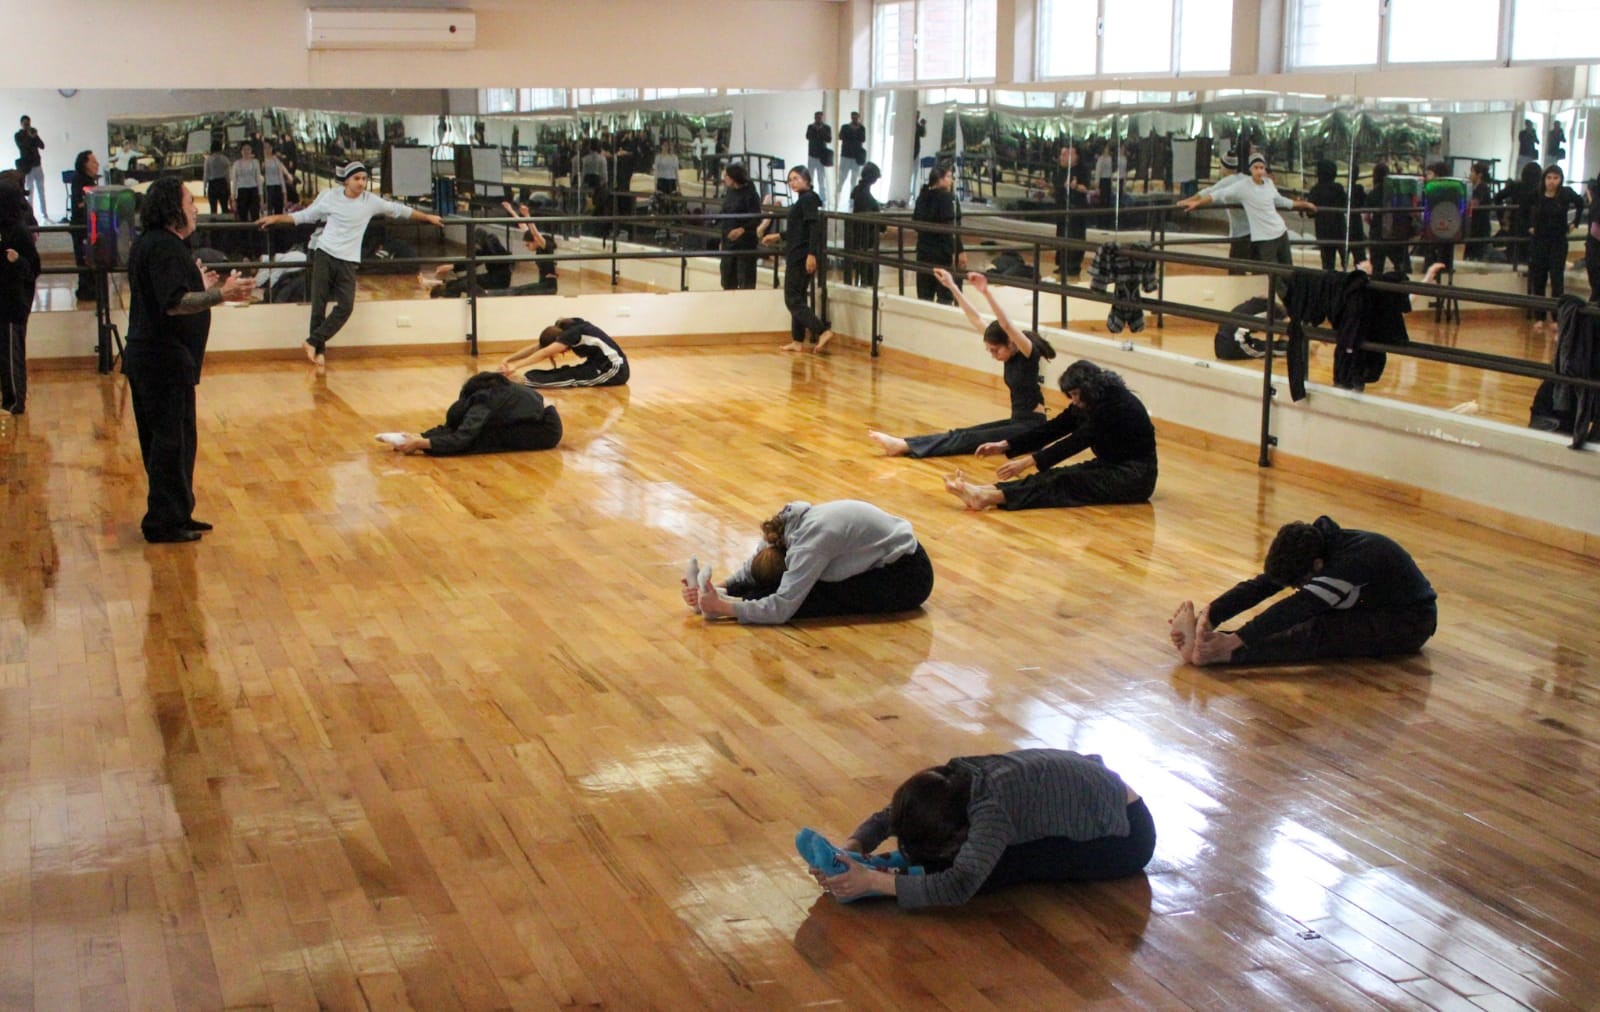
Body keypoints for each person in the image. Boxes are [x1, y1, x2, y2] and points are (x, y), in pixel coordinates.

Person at [805, 749, 1154, 908]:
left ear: (958, 832)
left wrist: (876, 885)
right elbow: (892, 815)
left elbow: (960, 885)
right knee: (988, 855)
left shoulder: (991, 810)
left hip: (1125, 837)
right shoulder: (951, 780)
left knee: (1001, 864)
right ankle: (877, 865)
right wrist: (853, 844)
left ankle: (881, 874)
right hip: (1091, 799)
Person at [121, 177, 254, 543]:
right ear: (170, 208)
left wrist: (206, 287)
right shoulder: (162, 247)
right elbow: (175, 302)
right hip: (159, 361)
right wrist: (219, 295)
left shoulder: (162, 245)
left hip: (166, 362)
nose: (195, 208)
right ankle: (162, 521)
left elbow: (177, 292)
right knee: (167, 443)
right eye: (188, 202)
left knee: (178, 441)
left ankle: (178, 512)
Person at [1168, 515, 1437, 667]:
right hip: (1367, 607)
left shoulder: (1350, 563)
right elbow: (1264, 585)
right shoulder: (1311, 550)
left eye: (1298, 583)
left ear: (1317, 566)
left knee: (1316, 631)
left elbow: (1294, 609)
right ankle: (1212, 644)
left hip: (1408, 622)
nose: (1297, 587)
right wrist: (1208, 617)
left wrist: (1234, 642)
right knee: (1312, 624)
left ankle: (1222, 653)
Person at [259, 160, 444, 365]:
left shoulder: (371, 201)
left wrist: (427, 216)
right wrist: (276, 218)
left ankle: (312, 341)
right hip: (325, 254)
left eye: (364, 179)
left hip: (348, 260)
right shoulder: (331, 197)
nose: (361, 183)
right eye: (357, 179)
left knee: (346, 306)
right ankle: (319, 351)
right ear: (346, 181)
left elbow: (399, 210)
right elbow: (305, 216)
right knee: (318, 305)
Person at [869, 269, 1055, 458]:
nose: (993, 355)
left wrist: (986, 292)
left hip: (1033, 430)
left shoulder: (1028, 352)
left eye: (996, 350)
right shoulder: (1008, 350)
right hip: (1017, 423)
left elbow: (1006, 324)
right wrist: (952, 286)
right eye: (990, 350)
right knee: (962, 433)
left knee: (968, 440)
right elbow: (975, 318)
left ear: (1011, 342)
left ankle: (903, 446)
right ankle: (905, 444)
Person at [941, 360, 1157, 512]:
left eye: (1074, 395)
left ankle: (989, 496)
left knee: (1063, 482)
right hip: (1112, 465)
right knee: (1058, 475)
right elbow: (1056, 427)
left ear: (1088, 389)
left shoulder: (1115, 405)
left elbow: (1076, 441)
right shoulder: (1093, 399)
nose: (1073, 401)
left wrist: (1027, 462)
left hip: (1135, 477)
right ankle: (984, 492)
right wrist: (1006, 445)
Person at [680, 500, 933, 625]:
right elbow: (753, 568)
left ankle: (728, 604)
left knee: (812, 598)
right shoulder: (781, 527)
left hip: (908, 577)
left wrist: (724, 610)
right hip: (880, 558)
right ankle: (723, 599)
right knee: (779, 587)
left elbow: (782, 608)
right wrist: (720, 588)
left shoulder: (809, 545)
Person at [1177, 153, 1315, 274]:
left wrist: (1189, 201)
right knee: (1263, 269)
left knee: (1239, 269)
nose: (1260, 171)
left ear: (1223, 167)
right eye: (1257, 167)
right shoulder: (1244, 181)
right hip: (1258, 234)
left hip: (1245, 235)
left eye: (1261, 167)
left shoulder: (1233, 183)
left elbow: (1209, 193)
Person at [385, 373, 562, 456]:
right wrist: (421, 436)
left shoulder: (483, 403)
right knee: (479, 433)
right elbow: (453, 428)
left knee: (483, 440)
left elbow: (463, 437)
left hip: (545, 429)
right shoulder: (486, 392)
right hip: (535, 417)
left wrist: (421, 443)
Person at [759, 166, 834, 353]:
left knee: (792, 299)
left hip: (801, 256)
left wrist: (811, 254)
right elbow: (798, 229)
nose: (793, 182)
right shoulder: (804, 200)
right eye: (790, 179)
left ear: (807, 180)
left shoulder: (807, 200)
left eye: (796, 178)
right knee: (798, 297)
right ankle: (797, 340)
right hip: (798, 252)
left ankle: (822, 331)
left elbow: (813, 228)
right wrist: (778, 236)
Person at [1524, 164, 1585, 331]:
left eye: (1555, 178)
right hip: (1539, 242)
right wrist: (1529, 226)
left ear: (1561, 179)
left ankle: (1557, 319)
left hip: (1558, 242)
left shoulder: (1565, 194)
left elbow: (1580, 203)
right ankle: (1539, 317)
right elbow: (1523, 208)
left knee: (1557, 281)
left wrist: (1575, 223)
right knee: (1539, 280)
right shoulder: (1536, 194)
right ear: (1544, 179)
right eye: (1549, 178)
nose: (1551, 182)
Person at [497, 317, 628, 388]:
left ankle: (525, 381)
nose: (558, 353)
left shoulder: (571, 334)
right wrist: (508, 359)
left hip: (614, 370)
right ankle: (527, 378)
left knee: (570, 377)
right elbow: (538, 348)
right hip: (595, 364)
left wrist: (515, 366)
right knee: (564, 372)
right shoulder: (563, 329)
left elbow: (543, 353)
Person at [0, 183, 40, 414]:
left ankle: (15, 400)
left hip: (13, 303)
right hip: (4, 301)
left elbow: (33, 268)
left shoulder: (19, 231)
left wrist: (18, 262)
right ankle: (8, 397)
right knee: (5, 354)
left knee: (12, 353)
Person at [913, 163, 965, 304]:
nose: (951, 180)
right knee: (945, 295)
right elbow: (953, 227)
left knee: (925, 294)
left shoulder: (921, 198)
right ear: (939, 179)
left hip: (924, 252)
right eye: (948, 176)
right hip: (943, 253)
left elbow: (916, 224)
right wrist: (959, 250)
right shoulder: (949, 199)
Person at [718, 162, 762, 291]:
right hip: (729, 242)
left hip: (745, 243)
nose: (724, 178)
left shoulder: (751, 194)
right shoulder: (730, 192)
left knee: (745, 280)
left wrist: (742, 229)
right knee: (727, 278)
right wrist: (723, 240)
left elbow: (756, 218)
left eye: (727, 176)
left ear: (734, 177)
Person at [1363, 163, 1412, 276]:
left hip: (1377, 232)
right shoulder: (1395, 192)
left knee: (1377, 268)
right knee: (1399, 266)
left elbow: (1367, 216)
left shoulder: (1374, 193)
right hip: (1394, 231)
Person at [842, 161, 885, 287]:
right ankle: (868, 285)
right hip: (867, 237)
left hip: (860, 235)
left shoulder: (857, 192)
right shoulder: (866, 196)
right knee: (868, 266)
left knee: (863, 266)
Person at [1053, 145, 1092, 279]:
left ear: (1076, 157)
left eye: (1067, 154)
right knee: (1061, 236)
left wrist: (1075, 187)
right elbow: (1056, 189)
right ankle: (1062, 264)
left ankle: (1073, 266)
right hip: (1062, 210)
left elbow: (1086, 188)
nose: (1063, 157)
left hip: (1076, 211)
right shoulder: (1060, 171)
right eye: (1062, 155)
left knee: (1076, 237)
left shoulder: (1081, 171)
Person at [1305, 159, 1349, 272]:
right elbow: (1344, 205)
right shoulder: (1338, 188)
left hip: (1323, 231)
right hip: (1339, 230)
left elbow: (1309, 213)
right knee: (1344, 260)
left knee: (1327, 264)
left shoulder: (1315, 190)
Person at [68, 150, 100, 303]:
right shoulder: (79, 181)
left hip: (90, 226)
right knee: (84, 260)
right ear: (84, 164)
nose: (97, 164)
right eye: (93, 162)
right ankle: (86, 291)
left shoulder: (90, 181)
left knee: (91, 260)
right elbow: (81, 204)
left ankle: (92, 290)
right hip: (81, 227)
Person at [14, 116, 47, 222]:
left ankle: (44, 214)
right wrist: (29, 136)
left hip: (37, 165)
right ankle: (29, 216)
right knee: (29, 191)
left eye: (28, 123)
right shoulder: (18, 135)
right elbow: (22, 147)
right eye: (25, 123)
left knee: (41, 190)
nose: (27, 125)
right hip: (27, 167)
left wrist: (35, 136)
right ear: (21, 124)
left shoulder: (33, 133)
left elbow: (42, 146)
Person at [837, 111, 867, 207]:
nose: (855, 119)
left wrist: (855, 132)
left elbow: (863, 139)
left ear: (858, 118)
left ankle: (852, 200)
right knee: (842, 178)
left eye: (856, 117)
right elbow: (841, 136)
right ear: (851, 117)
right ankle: (837, 196)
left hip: (856, 157)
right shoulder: (845, 127)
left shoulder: (862, 128)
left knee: (854, 180)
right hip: (846, 156)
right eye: (853, 117)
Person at [1465, 162, 1492, 261]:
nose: (1470, 175)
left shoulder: (1482, 188)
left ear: (1479, 175)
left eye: (1472, 172)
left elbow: (1474, 204)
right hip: (1474, 227)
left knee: (1476, 256)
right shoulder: (1474, 188)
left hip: (1480, 229)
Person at [806, 111, 833, 207]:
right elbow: (808, 136)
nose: (818, 119)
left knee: (821, 179)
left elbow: (829, 139)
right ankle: (809, 196)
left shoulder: (826, 128)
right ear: (814, 117)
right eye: (816, 117)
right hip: (812, 155)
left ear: (822, 118)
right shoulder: (810, 127)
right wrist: (815, 129)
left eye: (820, 117)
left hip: (822, 156)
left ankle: (823, 199)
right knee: (810, 178)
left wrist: (821, 130)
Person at [231, 143, 262, 222]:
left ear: (251, 150)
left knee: (255, 215)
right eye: (244, 149)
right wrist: (233, 199)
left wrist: (261, 197)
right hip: (242, 191)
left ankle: (255, 233)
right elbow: (234, 182)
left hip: (253, 190)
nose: (246, 151)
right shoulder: (236, 164)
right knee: (242, 216)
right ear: (241, 151)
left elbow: (258, 179)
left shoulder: (255, 162)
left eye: (248, 149)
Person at [261, 141, 291, 216]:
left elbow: (281, 175)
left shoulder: (276, 160)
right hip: (267, 187)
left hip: (277, 187)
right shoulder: (261, 161)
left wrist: (285, 195)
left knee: (278, 210)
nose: (267, 150)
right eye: (265, 148)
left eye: (269, 147)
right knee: (269, 210)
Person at [203, 142, 231, 216]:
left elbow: (206, 174)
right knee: (224, 206)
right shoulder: (225, 159)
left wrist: (204, 187)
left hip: (212, 184)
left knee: (213, 208)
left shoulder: (208, 159)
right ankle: (225, 224)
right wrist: (229, 186)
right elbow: (228, 175)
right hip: (222, 183)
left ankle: (214, 224)